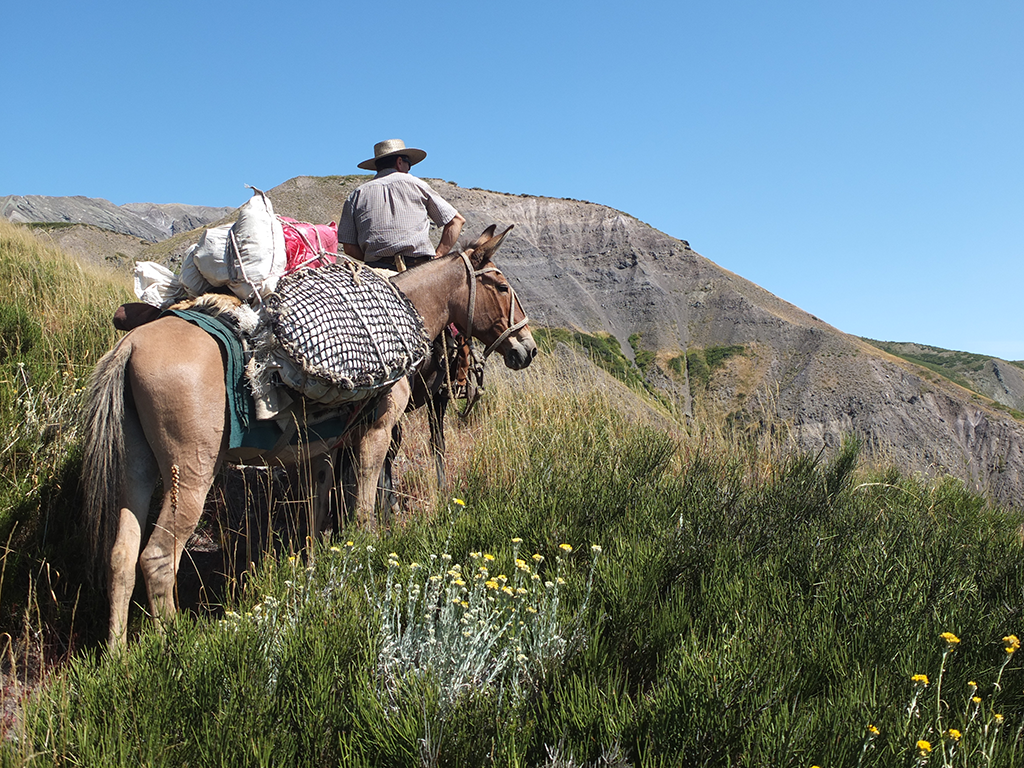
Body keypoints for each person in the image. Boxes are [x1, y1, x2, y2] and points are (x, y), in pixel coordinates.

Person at [337, 139, 465, 272]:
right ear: (399, 162)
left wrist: (377, 258)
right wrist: (439, 255)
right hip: (417, 270)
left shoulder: (357, 194)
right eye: (408, 164)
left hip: (376, 273)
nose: (409, 169)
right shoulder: (416, 184)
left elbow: (349, 248)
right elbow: (457, 220)